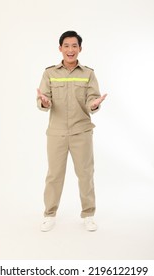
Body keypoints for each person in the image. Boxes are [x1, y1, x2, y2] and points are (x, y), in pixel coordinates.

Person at [37, 30, 107, 232]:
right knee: (54, 175)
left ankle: (88, 214)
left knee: (86, 174)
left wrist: (93, 104)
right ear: (60, 48)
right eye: (66, 46)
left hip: (81, 132)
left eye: (74, 46)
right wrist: (45, 101)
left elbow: (91, 100)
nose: (70, 49)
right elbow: (42, 100)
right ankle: (49, 214)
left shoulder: (88, 74)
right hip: (56, 133)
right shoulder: (49, 73)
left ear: (80, 49)